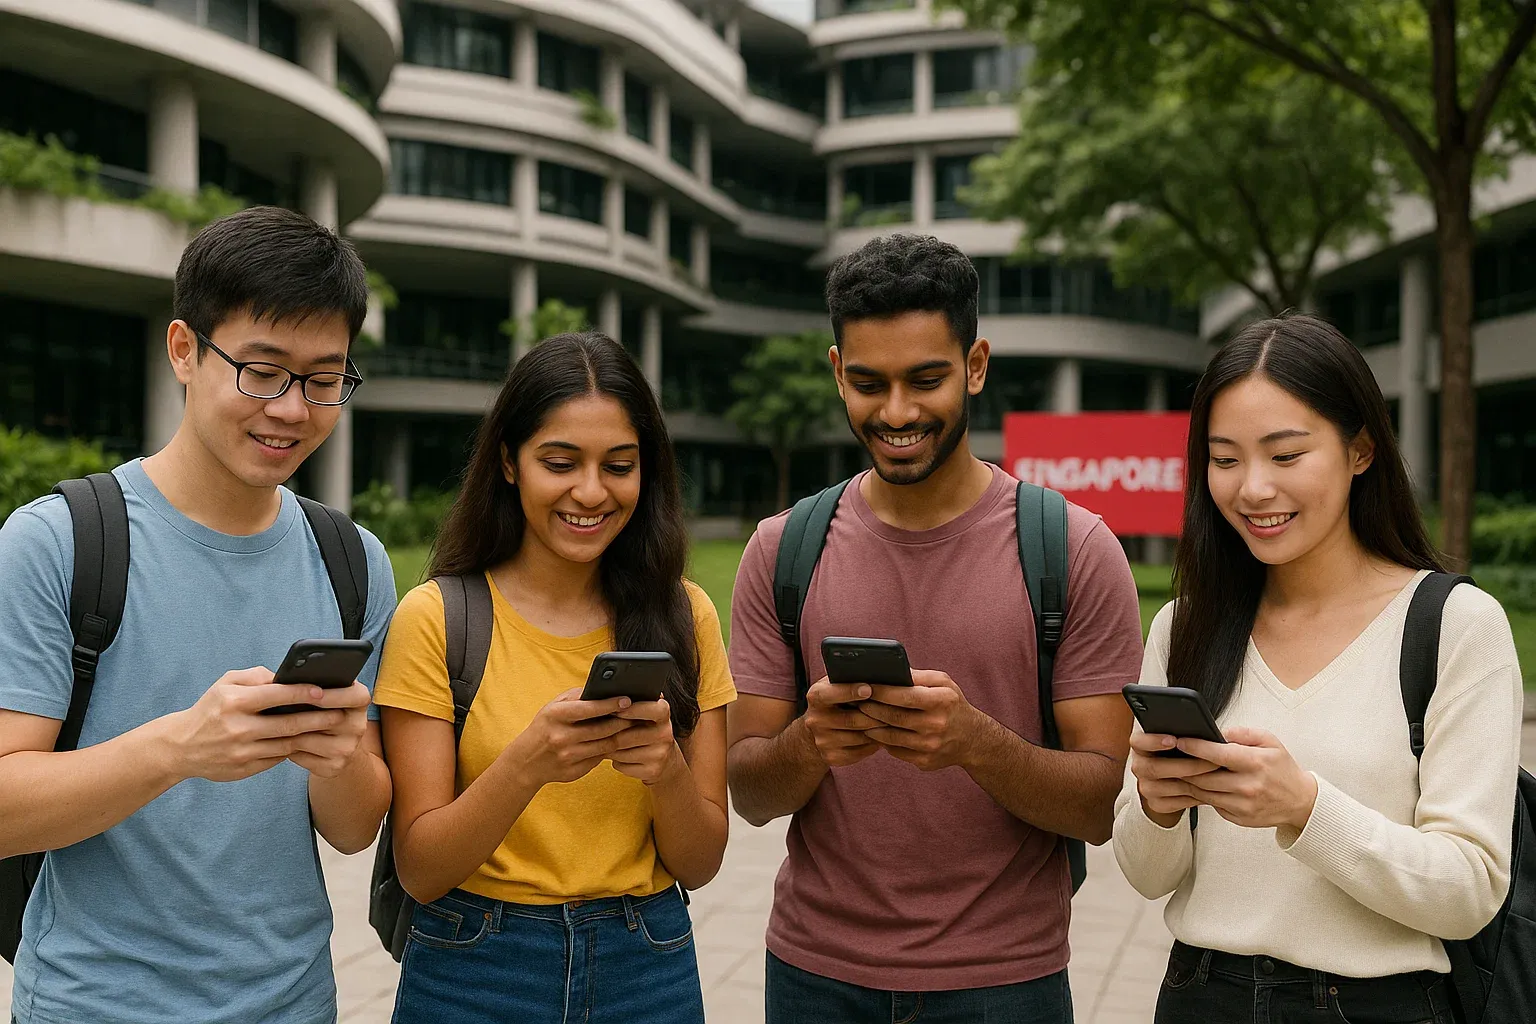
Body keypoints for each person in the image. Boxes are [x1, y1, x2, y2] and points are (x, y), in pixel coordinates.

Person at [725, 233, 1145, 1023]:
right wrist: (812, 742)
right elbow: (748, 792)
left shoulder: (1073, 550)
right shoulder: (783, 550)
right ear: (835, 372)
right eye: (867, 383)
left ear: (976, 365)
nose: (897, 413)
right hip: (814, 975)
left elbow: (1098, 805)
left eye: (926, 380)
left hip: (1005, 983)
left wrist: (974, 743)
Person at [0, 206, 396, 1024]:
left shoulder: (353, 562)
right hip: (94, 1006)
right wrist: (182, 746)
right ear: (184, 349)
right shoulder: (60, 542)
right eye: (261, 369)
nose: (292, 408)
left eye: (325, 379)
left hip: (294, 1003)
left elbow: (356, 831)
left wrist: (338, 752)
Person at [1114, 314, 1524, 1024]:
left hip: (1380, 1005)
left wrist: (1305, 808)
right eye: (1225, 458)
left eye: (1285, 454)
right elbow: (1148, 877)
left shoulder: (1455, 626)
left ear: (1360, 450)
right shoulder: (1184, 626)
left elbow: (1469, 892)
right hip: (1200, 998)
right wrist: (1156, 803)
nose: (1253, 489)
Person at [374, 332, 736, 1024]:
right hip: (473, 967)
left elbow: (701, 862)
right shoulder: (438, 618)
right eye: (560, 462)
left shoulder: (686, 616)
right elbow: (420, 868)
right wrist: (526, 765)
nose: (591, 492)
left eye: (619, 466)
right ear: (509, 462)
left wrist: (665, 771)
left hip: (647, 965)